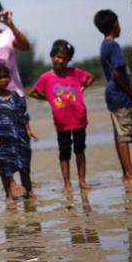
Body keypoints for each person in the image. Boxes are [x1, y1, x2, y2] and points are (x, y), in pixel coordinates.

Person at [29, 40, 95, 193]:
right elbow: (33, 92)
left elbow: (90, 77)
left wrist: (82, 88)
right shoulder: (46, 77)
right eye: (58, 57)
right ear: (52, 56)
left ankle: (82, 181)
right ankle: (67, 183)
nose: (61, 60)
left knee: (80, 149)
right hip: (62, 121)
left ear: (69, 60)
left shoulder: (75, 72)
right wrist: (48, 98)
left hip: (79, 117)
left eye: (65, 58)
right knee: (64, 152)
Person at [93, 10, 132, 183]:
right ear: (115, 24)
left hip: (112, 92)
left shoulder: (103, 45)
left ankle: (126, 173)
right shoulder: (113, 46)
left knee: (119, 134)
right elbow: (117, 72)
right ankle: (129, 173)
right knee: (124, 134)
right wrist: (130, 92)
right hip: (118, 92)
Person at [0, 64, 36, 203]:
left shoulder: (16, 96)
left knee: (24, 166)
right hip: (3, 140)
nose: (3, 80)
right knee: (5, 168)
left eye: (6, 76)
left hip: (20, 138)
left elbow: (24, 114)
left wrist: (29, 131)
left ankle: (28, 191)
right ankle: (9, 195)